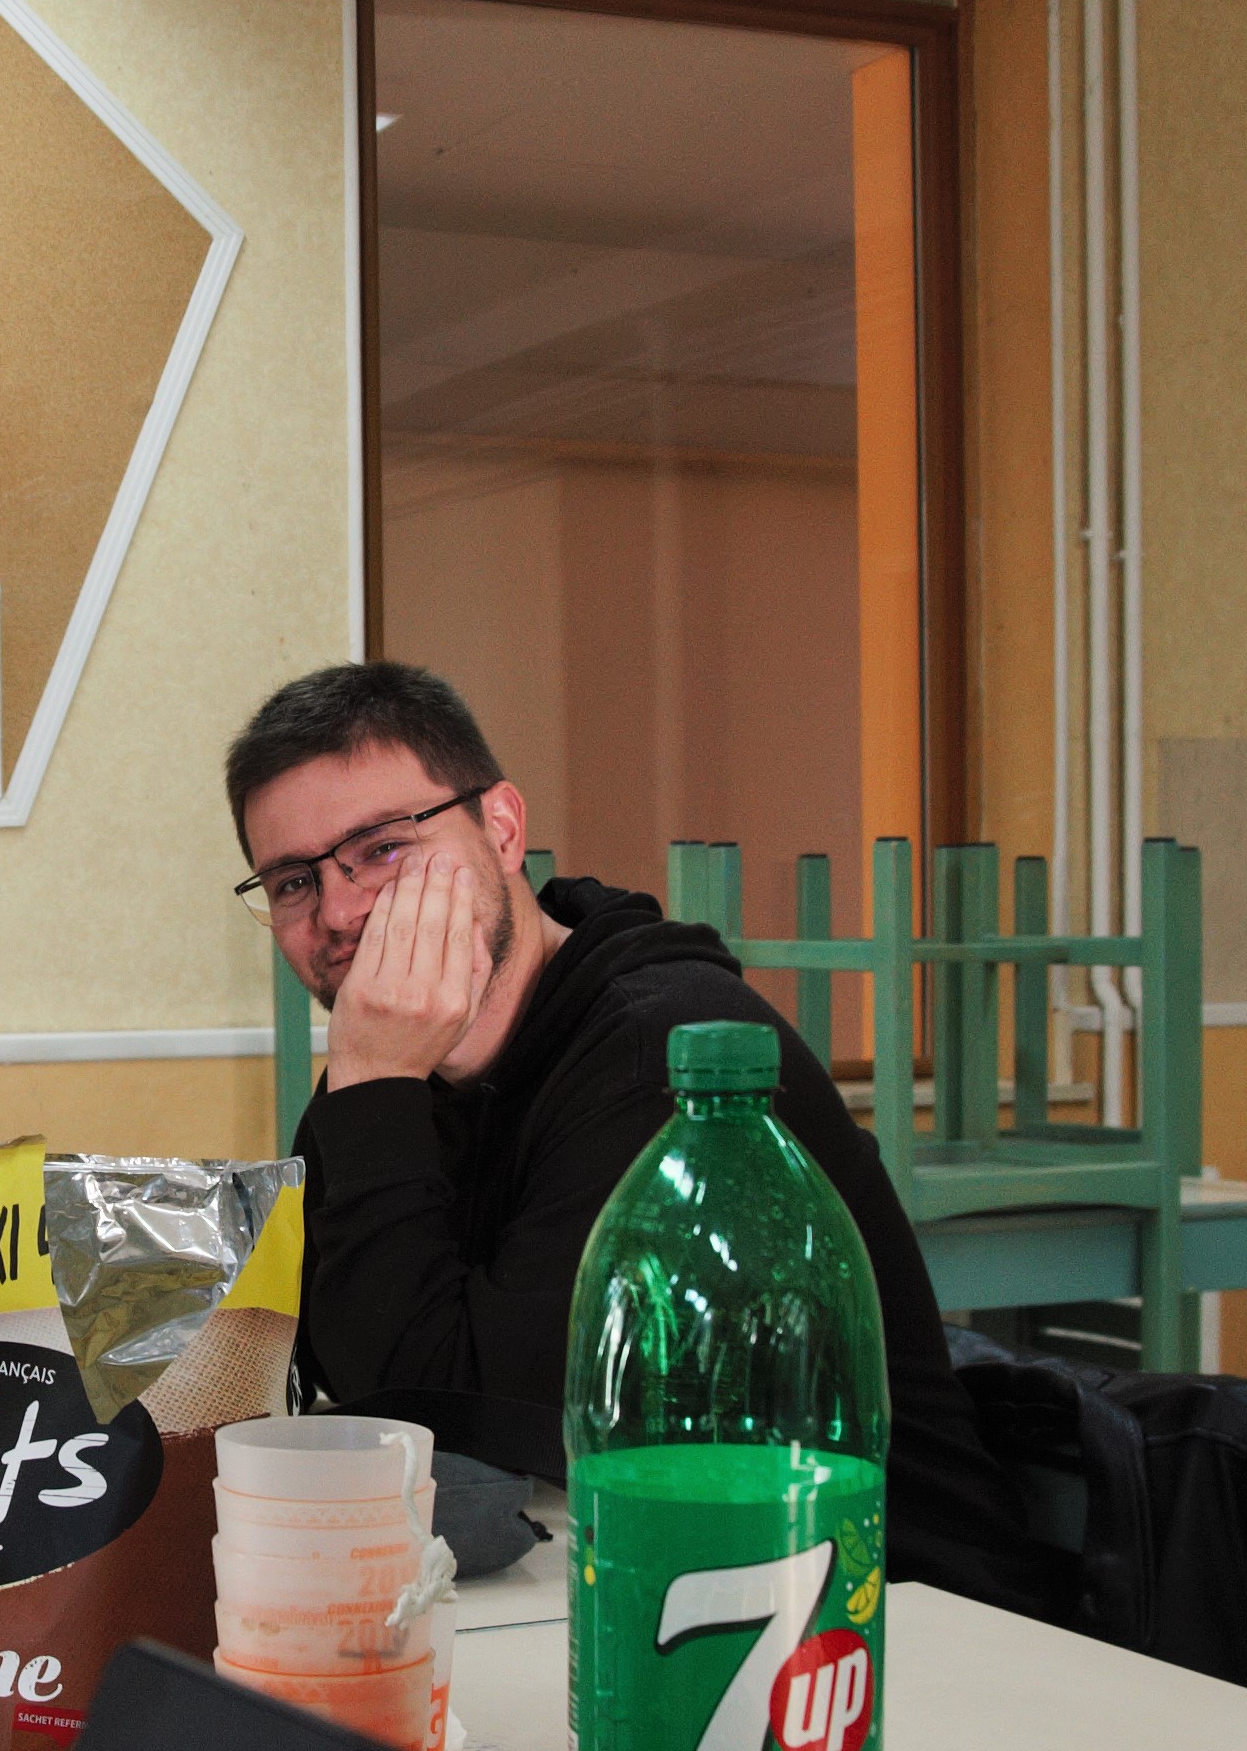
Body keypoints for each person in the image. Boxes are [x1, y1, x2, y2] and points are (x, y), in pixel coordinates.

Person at [230, 661, 1067, 1621]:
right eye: (294, 882)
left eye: (381, 849)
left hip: (897, 1616)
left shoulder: (658, 1051)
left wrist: (374, 1084)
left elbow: (455, 1420)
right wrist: (375, 1084)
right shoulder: (394, 1064)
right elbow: (331, 1370)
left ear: (502, 828)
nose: (339, 913)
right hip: (651, 1583)